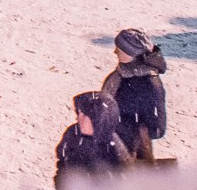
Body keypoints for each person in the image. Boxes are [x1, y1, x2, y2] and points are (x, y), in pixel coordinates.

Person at [101, 29, 167, 163]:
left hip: (132, 158)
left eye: (119, 49)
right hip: (109, 149)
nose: (115, 52)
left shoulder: (149, 84)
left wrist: (119, 127)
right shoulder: (119, 75)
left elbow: (157, 129)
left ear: (131, 53)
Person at [53, 91, 131, 184]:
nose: (78, 118)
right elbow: (62, 159)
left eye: (84, 115)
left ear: (98, 119)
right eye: (79, 113)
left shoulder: (113, 149)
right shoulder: (73, 133)